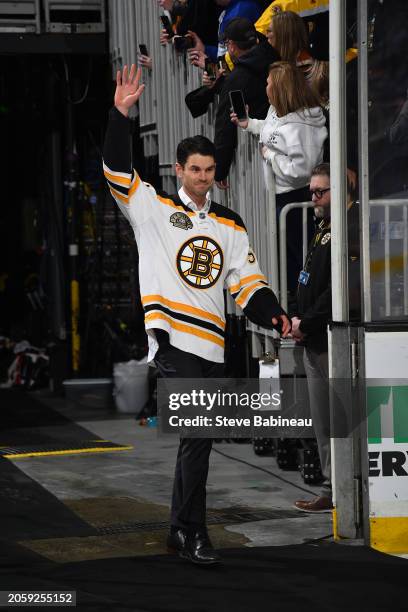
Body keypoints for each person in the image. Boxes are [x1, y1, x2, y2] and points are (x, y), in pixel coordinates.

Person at [103, 65, 290, 564]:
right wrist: (120, 115)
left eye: (210, 170)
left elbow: (246, 283)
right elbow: (117, 170)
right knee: (199, 433)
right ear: (180, 169)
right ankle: (195, 532)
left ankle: (178, 529)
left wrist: (273, 315)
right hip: (171, 342)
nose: (204, 177)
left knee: (199, 438)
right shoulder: (152, 209)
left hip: (213, 342)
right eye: (195, 170)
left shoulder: (230, 222)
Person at [290, 163, 360, 513]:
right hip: (313, 338)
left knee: (341, 421)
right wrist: (294, 316)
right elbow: (307, 279)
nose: (314, 198)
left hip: (332, 337)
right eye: (312, 191)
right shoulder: (324, 226)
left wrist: (307, 322)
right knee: (324, 424)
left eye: (321, 191)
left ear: (344, 189)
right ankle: (333, 489)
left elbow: (341, 290)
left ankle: (345, 490)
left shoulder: (351, 228)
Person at [231, 61, 327, 293]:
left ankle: (300, 307)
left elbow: (300, 171)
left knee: (297, 259)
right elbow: (271, 131)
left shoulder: (302, 127)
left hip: (296, 199)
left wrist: (271, 157)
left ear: (280, 89)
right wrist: (249, 124)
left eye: (268, 83)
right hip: (279, 197)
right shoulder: (276, 111)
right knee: (284, 258)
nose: (265, 87)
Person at [212, 17, 279, 189]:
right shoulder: (278, 58)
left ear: (232, 45)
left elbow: (225, 124)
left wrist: (220, 167)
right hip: (283, 147)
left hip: (258, 158)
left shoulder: (238, 78)